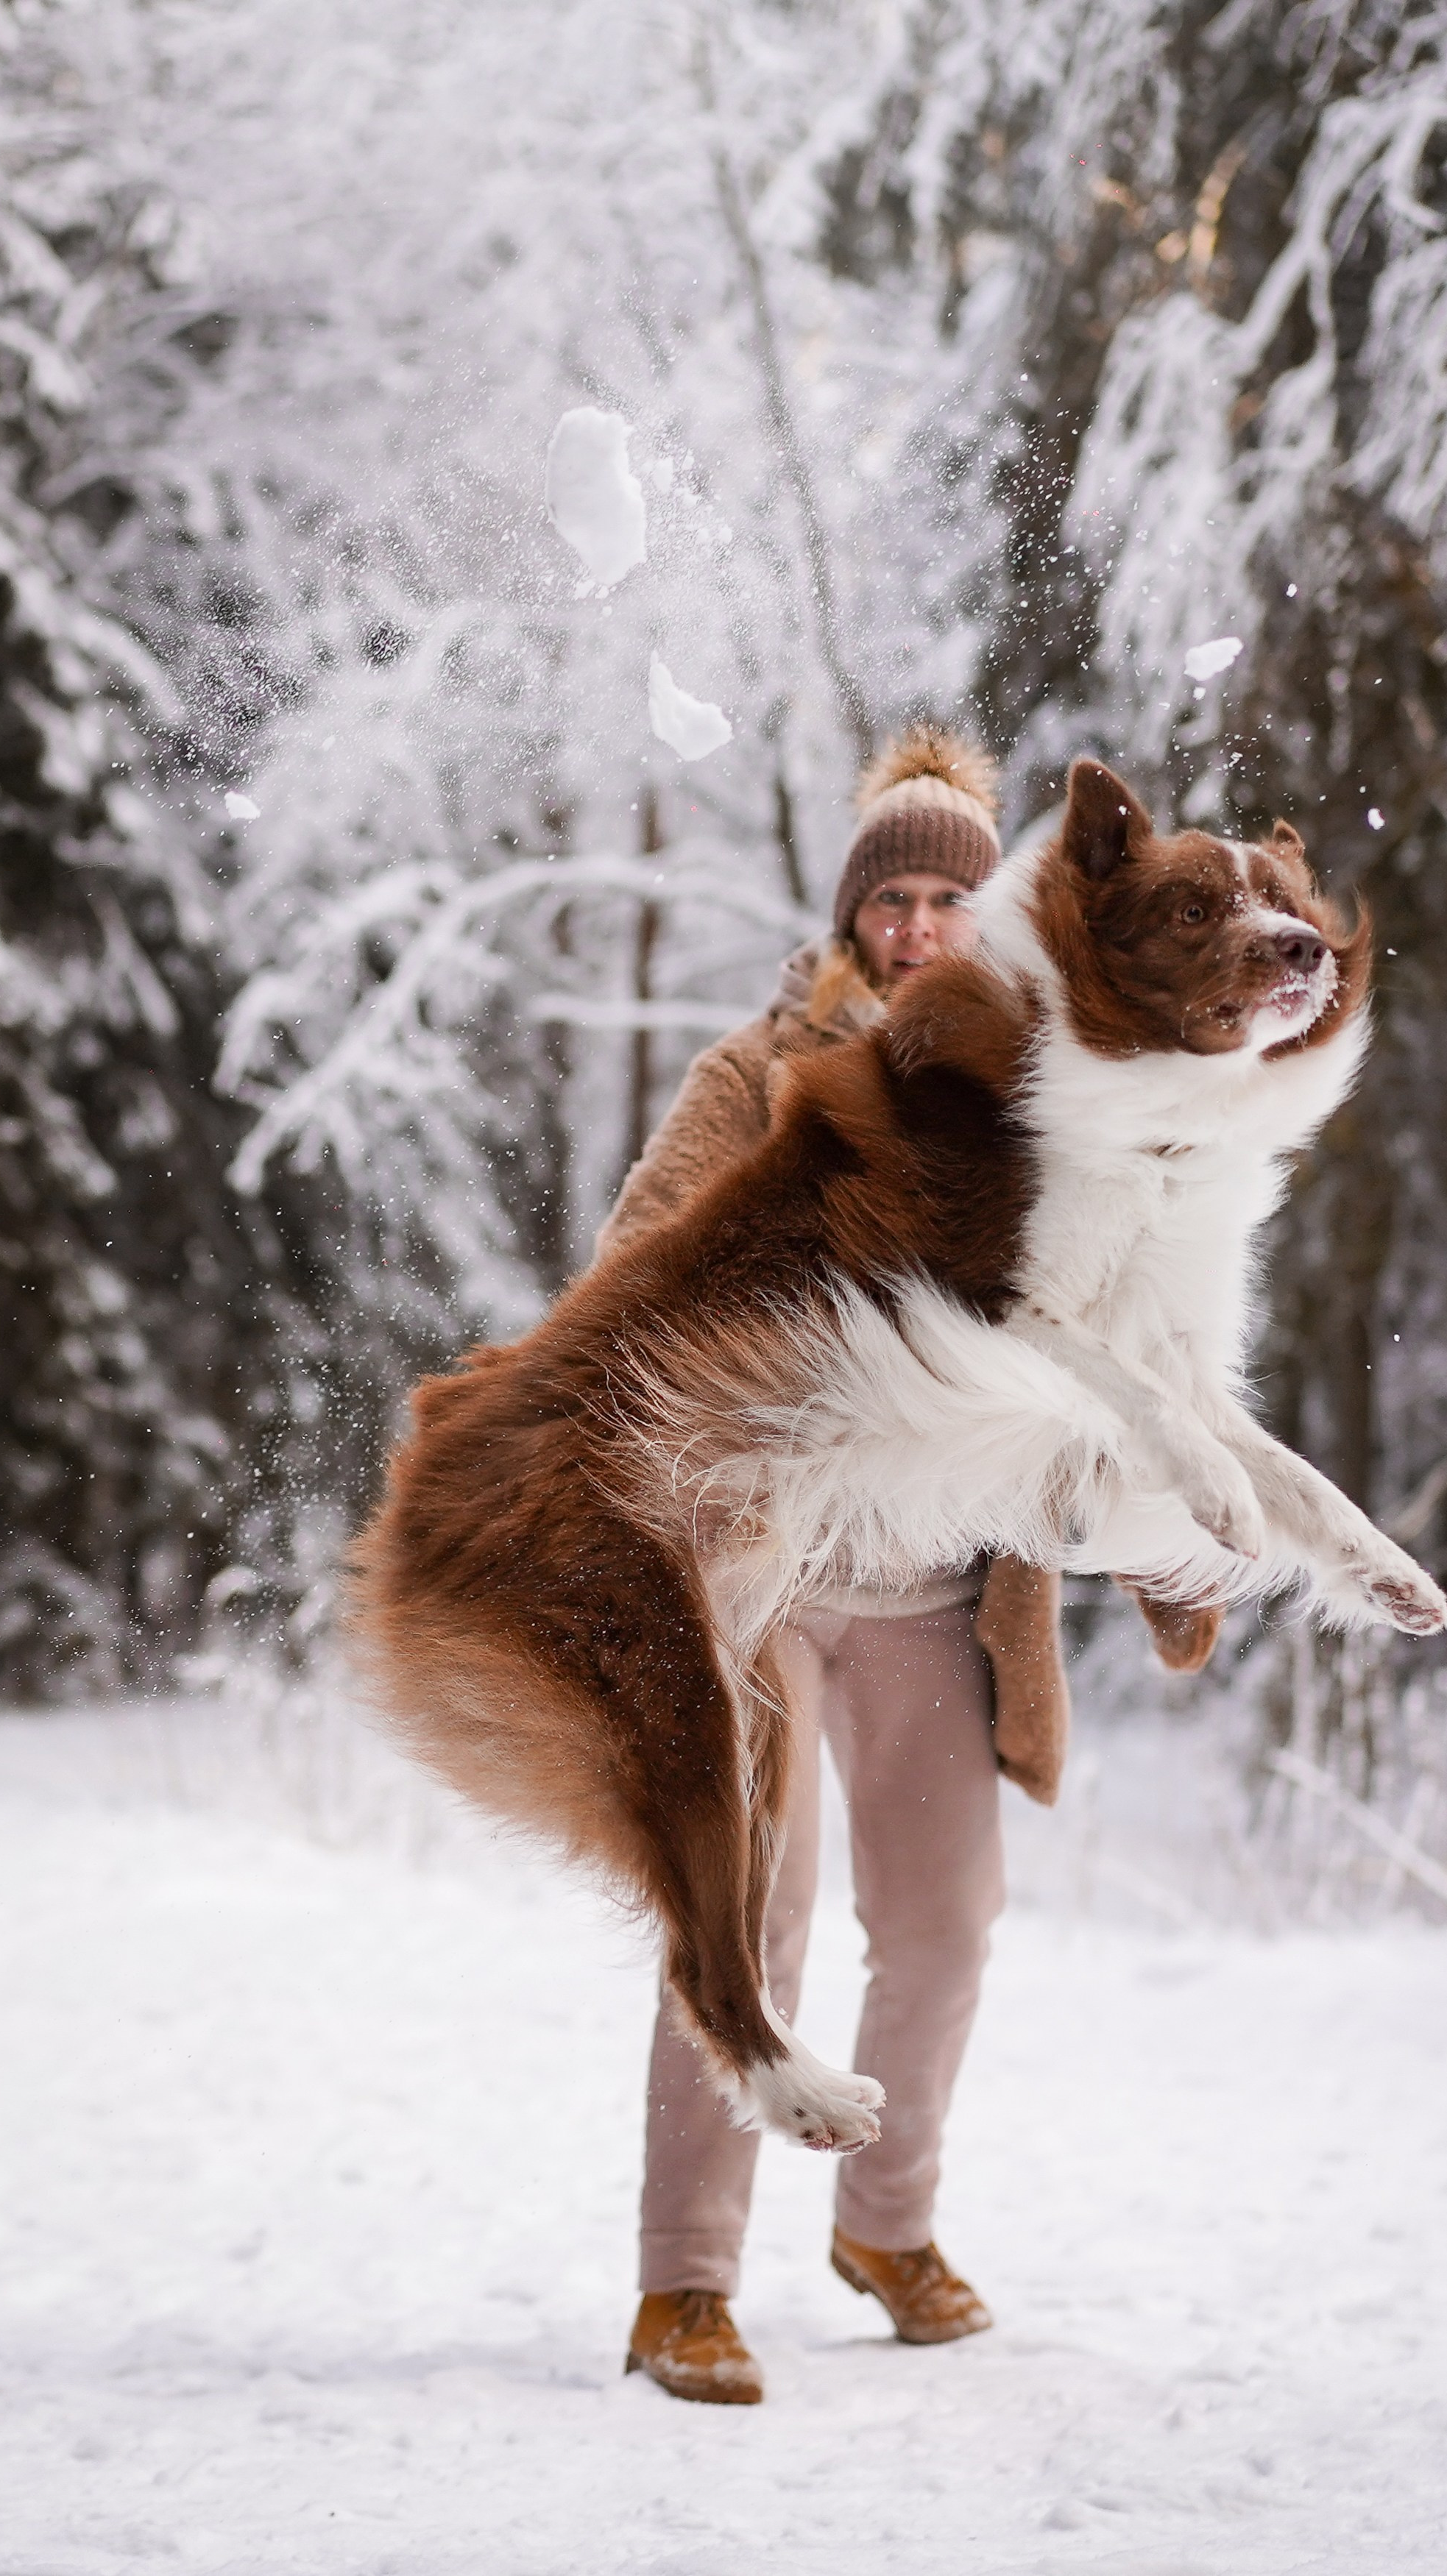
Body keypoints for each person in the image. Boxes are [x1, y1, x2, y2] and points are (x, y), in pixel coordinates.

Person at [598, 727, 1218, 2406]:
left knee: (944, 1922)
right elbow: (637, 1260)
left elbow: (1119, 1342)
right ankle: (684, 2285)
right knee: (749, 1917)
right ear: (855, 917)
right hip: (770, 1578)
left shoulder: (1041, 1091)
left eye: (956, 894)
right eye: (899, 898)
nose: (926, 924)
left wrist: (1171, 1556)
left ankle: (886, 2225)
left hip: (944, 1594)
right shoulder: (755, 1073)